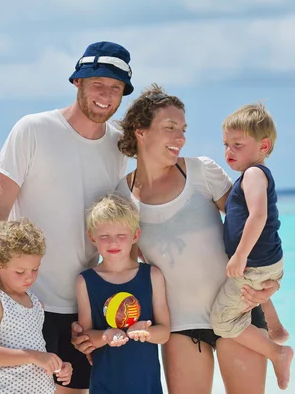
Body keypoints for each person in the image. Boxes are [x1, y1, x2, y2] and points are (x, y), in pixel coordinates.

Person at [72, 84, 282, 394]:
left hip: (239, 314)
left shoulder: (203, 172)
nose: (180, 137)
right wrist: (94, 328)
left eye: (182, 129)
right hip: (181, 328)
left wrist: (270, 285)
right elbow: (123, 273)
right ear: (140, 132)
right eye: (170, 128)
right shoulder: (122, 196)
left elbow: (252, 231)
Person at [0, 41, 133, 394]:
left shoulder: (118, 145)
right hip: (28, 301)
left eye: (116, 88)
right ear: (77, 82)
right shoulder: (32, 129)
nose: (106, 95)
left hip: (84, 303)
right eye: (98, 85)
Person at [210, 103, 294, 390]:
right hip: (266, 262)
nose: (228, 151)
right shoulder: (250, 176)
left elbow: (259, 215)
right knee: (252, 292)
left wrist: (239, 256)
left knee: (222, 321)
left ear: (263, 146)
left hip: (254, 262)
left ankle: (277, 352)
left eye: (237, 144)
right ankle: (277, 328)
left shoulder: (254, 174)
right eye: (225, 144)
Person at [76, 194, 170, 393]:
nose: (113, 243)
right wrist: (106, 336)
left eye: (121, 235)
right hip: (105, 385)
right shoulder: (85, 281)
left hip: (146, 385)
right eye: (104, 237)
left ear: (135, 236)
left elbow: (164, 333)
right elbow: (87, 337)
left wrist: (146, 333)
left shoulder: (152, 275)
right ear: (92, 237)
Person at [0, 218, 73, 394]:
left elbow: (39, 351)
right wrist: (34, 357)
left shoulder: (36, 303)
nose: (29, 277)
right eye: (20, 272)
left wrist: (58, 365)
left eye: (35, 269)